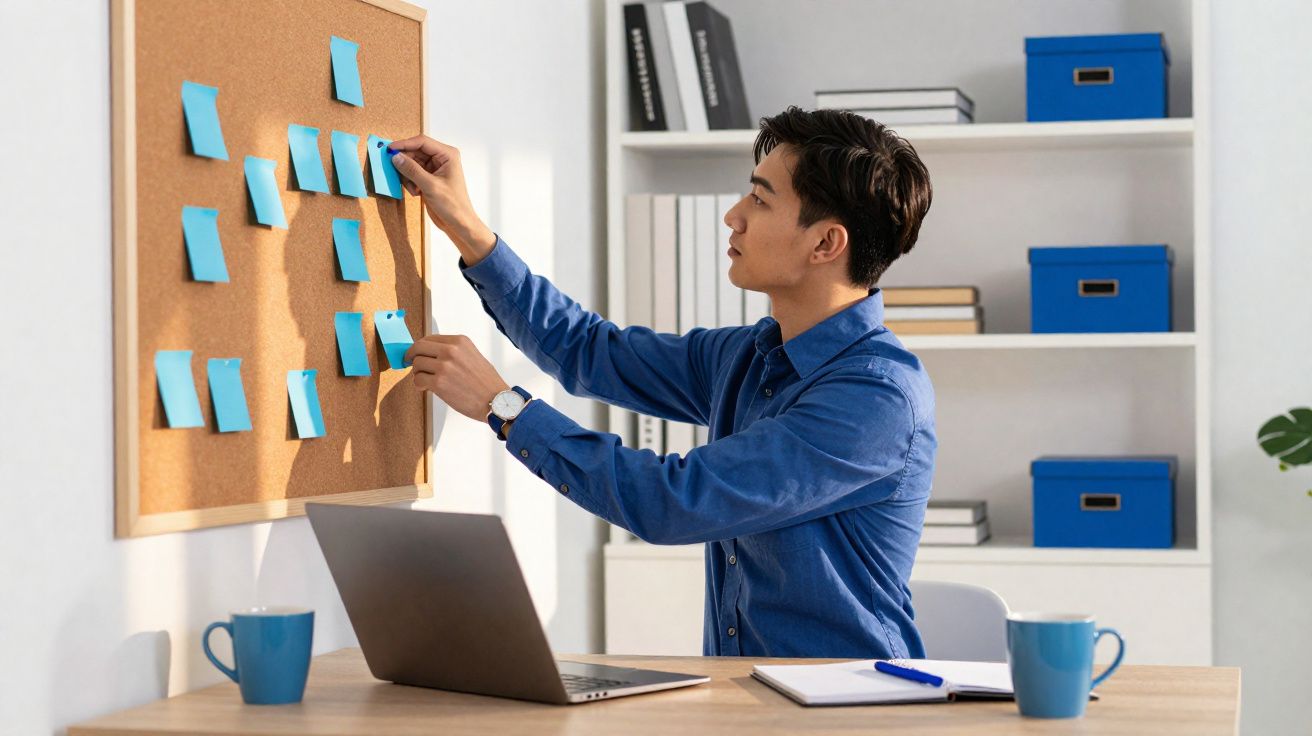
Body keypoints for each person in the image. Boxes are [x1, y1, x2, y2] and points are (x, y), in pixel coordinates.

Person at [392, 106, 936, 659]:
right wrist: (465, 225)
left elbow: (673, 502)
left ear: (825, 244)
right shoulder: (747, 355)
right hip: (742, 698)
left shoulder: (875, 398)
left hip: (851, 710)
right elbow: (590, 352)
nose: (733, 216)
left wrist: (503, 406)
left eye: (760, 199)